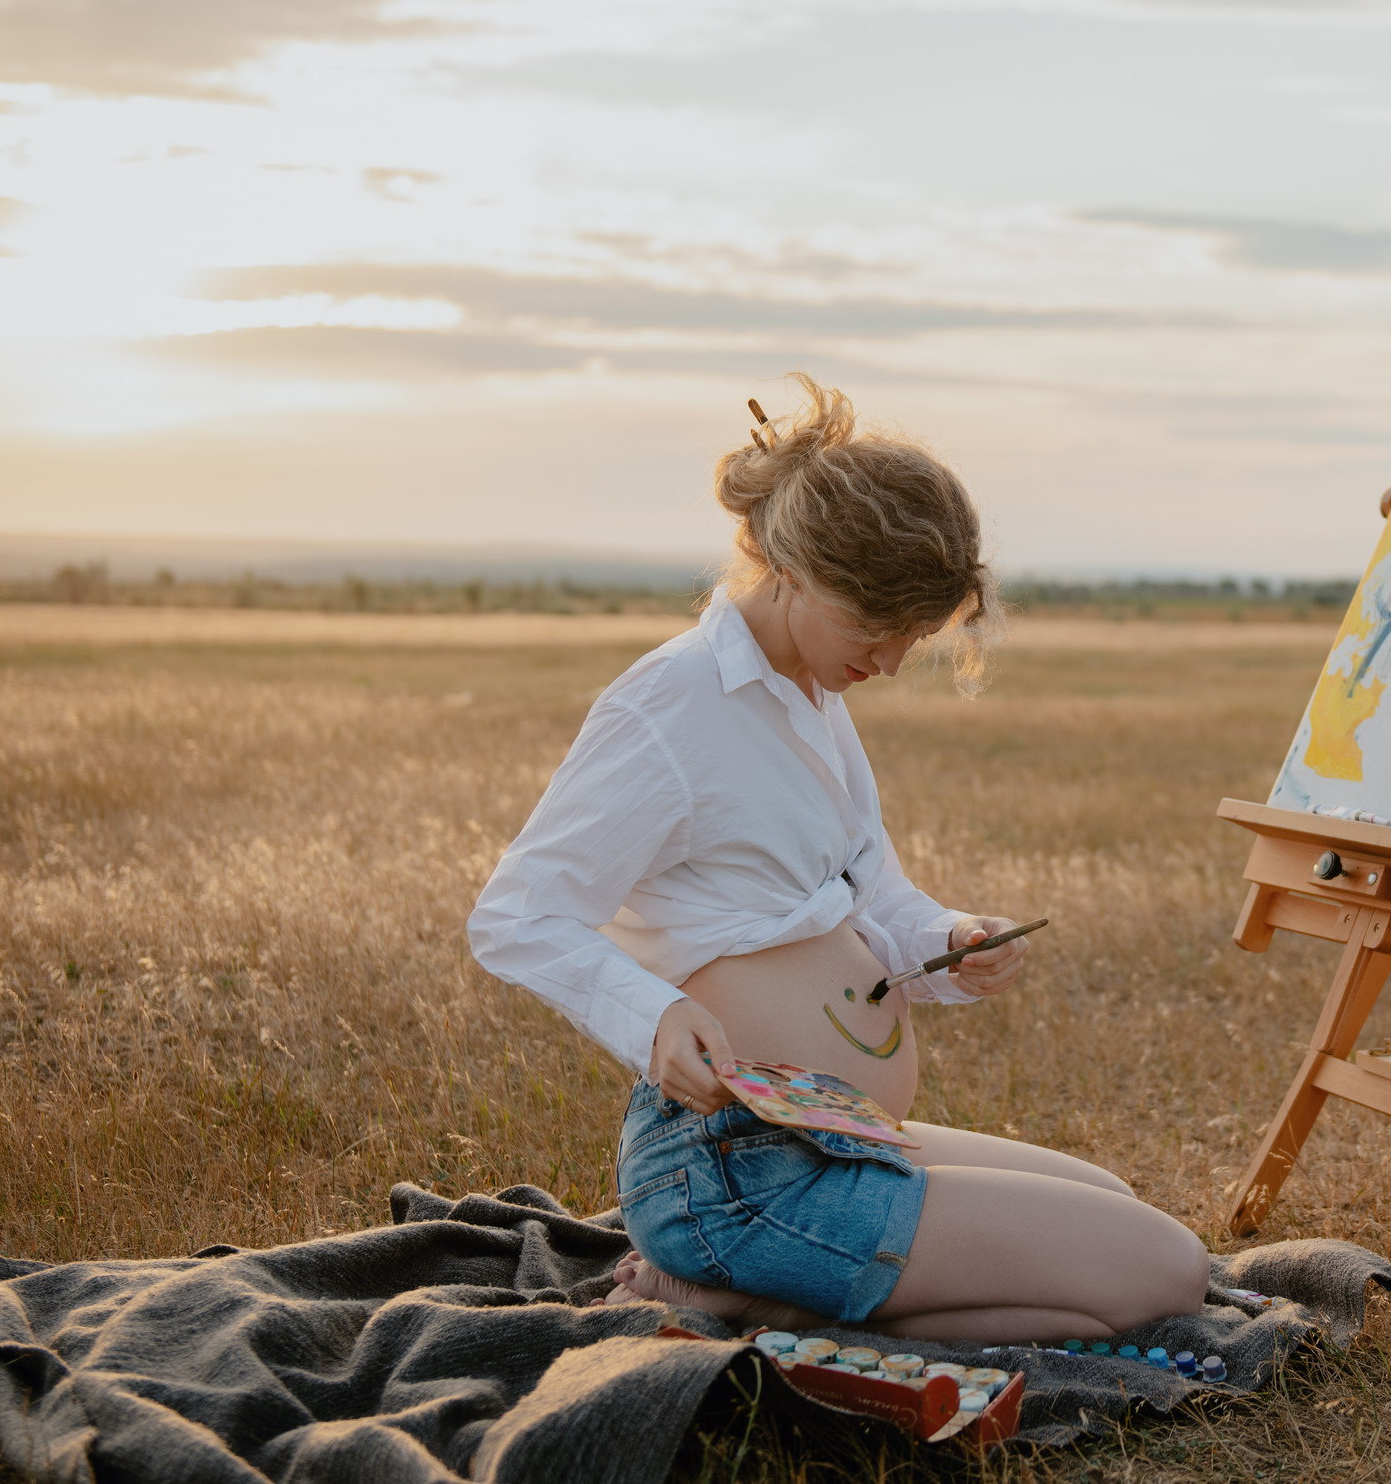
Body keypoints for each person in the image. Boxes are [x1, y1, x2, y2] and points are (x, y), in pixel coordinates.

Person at [468, 376, 1207, 1342]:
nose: (892, 663)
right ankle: (748, 1293)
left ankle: (757, 1300)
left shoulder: (816, 699)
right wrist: (655, 1017)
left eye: (913, 637)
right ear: (786, 566)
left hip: (831, 1135)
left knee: (1114, 1202)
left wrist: (950, 938)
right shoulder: (671, 707)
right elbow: (518, 915)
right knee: (1166, 1271)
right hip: (735, 1168)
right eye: (874, 629)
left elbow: (872, 894)